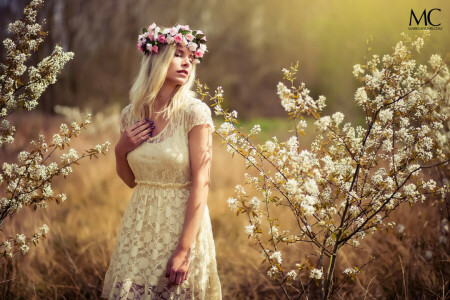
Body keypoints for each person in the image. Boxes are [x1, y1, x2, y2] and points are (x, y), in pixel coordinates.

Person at [101, 23, 222, 299]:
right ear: (156, 58)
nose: (186, 63)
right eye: (178, 54)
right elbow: (132, 181)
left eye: (191, 58)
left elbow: (202, 182)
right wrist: (120, 151)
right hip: (139, 225)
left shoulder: (195, 112)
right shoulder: (131, 114)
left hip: (182, 227)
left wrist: (184, 249)